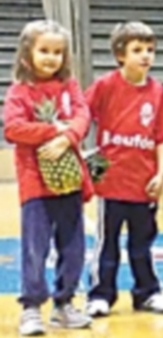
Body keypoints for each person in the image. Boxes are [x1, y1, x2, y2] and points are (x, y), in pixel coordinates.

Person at [84, 21, 163, 317]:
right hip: (111, 180)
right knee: (107, 243)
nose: (145, 55)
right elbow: (81, 115)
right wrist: (81, 154)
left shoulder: (158, 92)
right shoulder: (106, 85)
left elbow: (162, 137)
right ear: (119, 55)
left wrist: (161, 173)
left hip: (144, 182)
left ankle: (147, 293)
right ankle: (101, 295)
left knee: (142, 244)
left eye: (150, 50)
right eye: (137, 49)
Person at [4, 19, 94, 335]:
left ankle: (65, 302)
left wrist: (67, 138)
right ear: (27, 54)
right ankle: (31, 306)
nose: (51, 58)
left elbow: (83, 116)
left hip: (69, 182)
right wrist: (51, 130)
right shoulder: (19, 92)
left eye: (58, 52)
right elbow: (13, 129)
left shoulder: (69, 88)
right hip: (36, 186)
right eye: (44, 50)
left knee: (73, 247)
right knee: (34, 247)